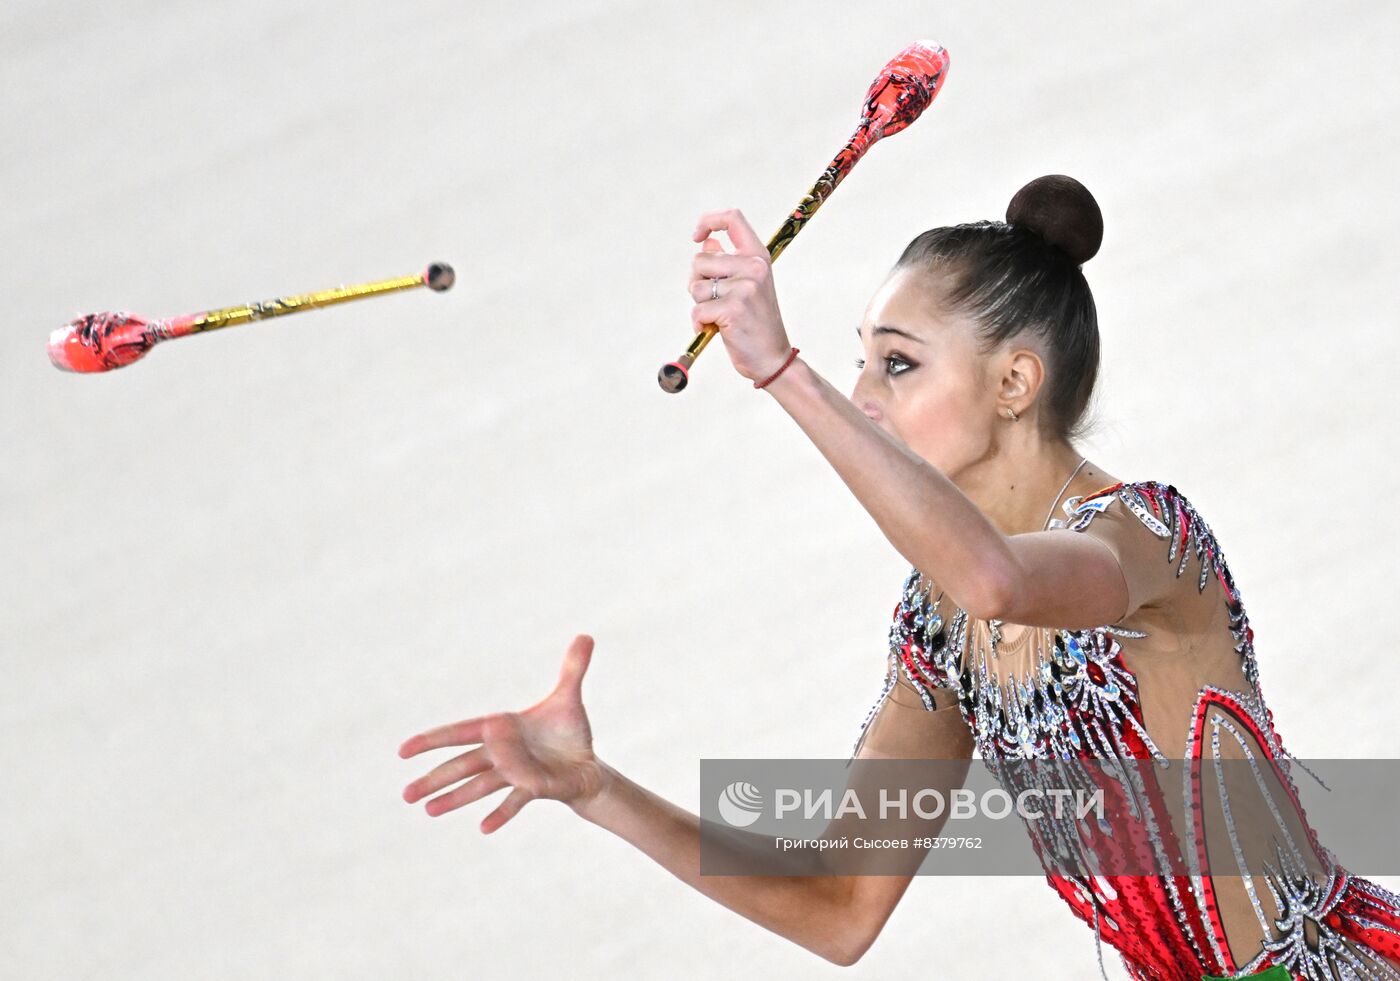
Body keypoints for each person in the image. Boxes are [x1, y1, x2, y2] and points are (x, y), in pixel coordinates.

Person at [398, 176, 1400, 980]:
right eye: (860, 364)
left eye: (898, 366)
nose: (864, 397)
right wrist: (593, 789)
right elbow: (839, 907)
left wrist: (780, 371)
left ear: (1013, 382)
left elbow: (998, 578)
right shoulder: (939, 626)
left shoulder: (1142, 539)